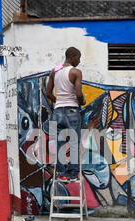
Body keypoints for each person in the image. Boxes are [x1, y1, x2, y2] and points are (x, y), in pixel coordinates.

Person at [46, 47, 86, 179]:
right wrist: (82, 101)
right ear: (72, 56)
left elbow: (48, 93)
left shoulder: (54, 71)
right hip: (72, 111)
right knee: (74, 142)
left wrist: (58, 101)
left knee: (59, 143)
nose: (79, 61)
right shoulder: (76, 72)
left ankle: (62, 173)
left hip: (57, 112)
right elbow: (79, 93)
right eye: (78, 58)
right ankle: (73, 174)